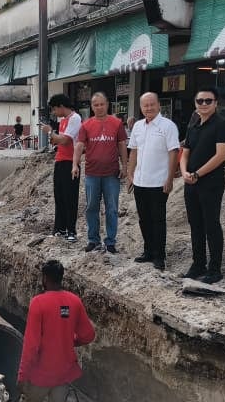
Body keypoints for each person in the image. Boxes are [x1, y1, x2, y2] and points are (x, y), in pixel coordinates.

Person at [13, 260, 95, 402]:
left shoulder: (38, 303)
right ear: (61, 278)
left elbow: (31, 344)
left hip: (40, 376)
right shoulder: (74, 301)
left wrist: (22, 374)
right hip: (63, 375)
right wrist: (70, 340)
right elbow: (88, 335)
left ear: (44, 279)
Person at [180, 88, 225, 284]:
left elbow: (220, 155)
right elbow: (185, 152)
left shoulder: (222, 125)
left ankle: (214, 268)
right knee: (196, 225)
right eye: (200, 101)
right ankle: (198, 264)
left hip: (210, 183)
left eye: (208, 101)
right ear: (195, 103)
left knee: (211, 224)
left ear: (216, 103)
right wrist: (185, 172)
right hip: (190, 183)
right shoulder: (193, 125)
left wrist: (197, 174)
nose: (203, 104)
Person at [127, 92, 180, 270]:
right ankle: (147, 251)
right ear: (141, 107)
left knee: (158, 220)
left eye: (152, 104)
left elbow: (174, 152)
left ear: (158, 105)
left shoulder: (168, 126)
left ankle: (159, 255)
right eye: (145, 105)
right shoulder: (138, 127)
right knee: (144, 219)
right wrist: (130, 173)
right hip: (140, 181)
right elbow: (133, 151)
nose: (148, 108)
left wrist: (170, 178)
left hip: (159, 182)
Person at [72, 92, 128, 253]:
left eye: (101, 104)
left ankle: (110, 242)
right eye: (95, 105)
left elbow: (122, 145)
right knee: (91, 207)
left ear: (107, 104)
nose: (99, 107)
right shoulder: (86, 125)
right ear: (92, 106)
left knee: (112, 208)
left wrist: (124, 166)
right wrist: (74, 165)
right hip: (92, 173)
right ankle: (93, 240)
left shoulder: (116, 123)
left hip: (112, 174)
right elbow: (79, 145)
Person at [40, 94, 82, 241]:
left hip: (70, 162)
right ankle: (60, 228)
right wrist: (53, 135)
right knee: (59, 197)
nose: (53, 112)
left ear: (61, 106)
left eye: (54, 109)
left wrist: (50, 131)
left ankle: (71, 230)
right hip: (60, 160)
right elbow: (56, 141)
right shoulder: (63, 121)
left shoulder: (75, 118)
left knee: (70, 197)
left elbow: (64, 140)